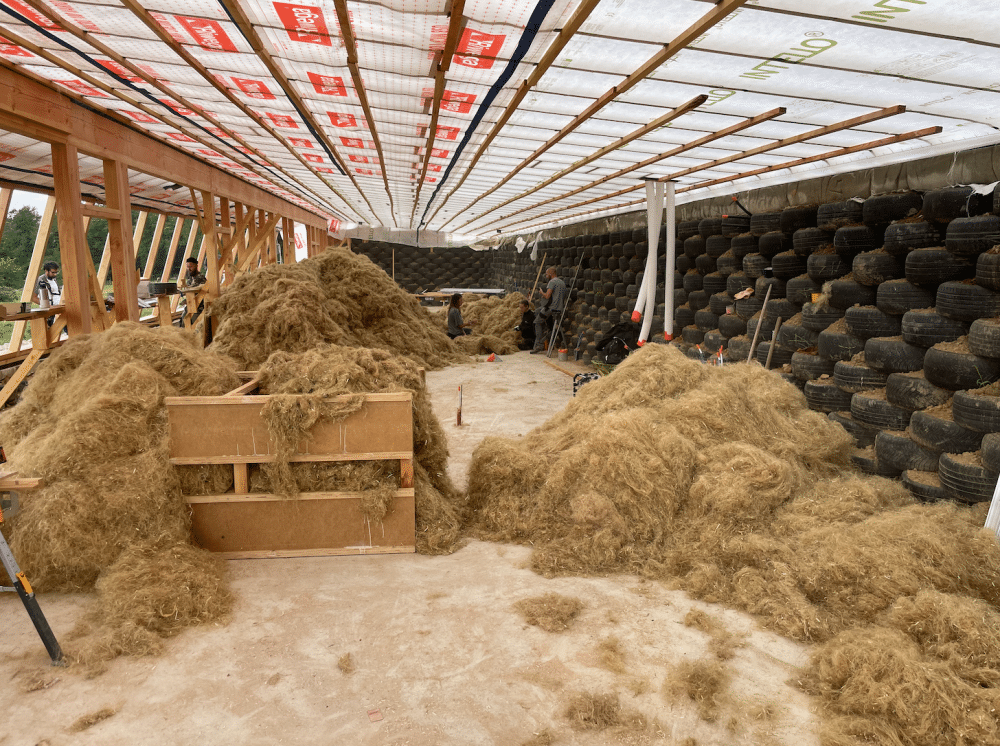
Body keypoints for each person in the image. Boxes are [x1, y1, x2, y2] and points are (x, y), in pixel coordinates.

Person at [531, 267, 567, 353]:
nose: (546, 275)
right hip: (559, 308)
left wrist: (541, 293)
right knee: (537, 311)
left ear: (551, 273)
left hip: (551, 308)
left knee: (537, 322)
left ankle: (539, 344)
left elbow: (547, 296)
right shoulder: (562, 282)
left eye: (547, 273)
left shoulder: (552, 282)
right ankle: (546, 334)